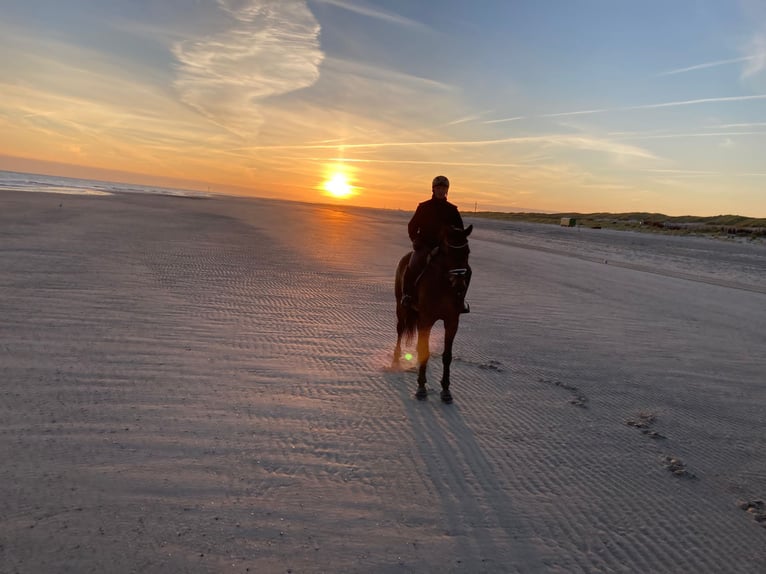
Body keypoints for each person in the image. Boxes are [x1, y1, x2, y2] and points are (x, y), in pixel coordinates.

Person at [401, 175, 470, 312]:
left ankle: (460, 300)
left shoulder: (452, 210)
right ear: (433, 189)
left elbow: (460, 230)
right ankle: (407, 295)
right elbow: (412, 226)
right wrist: (416, 240)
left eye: (443, 188)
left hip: (446, 248)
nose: (440, 191)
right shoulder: (424, 207)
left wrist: (456, 243)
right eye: (438, 188)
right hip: (425, 246)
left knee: (467, 270)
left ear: (447, 191)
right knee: (413, 263)